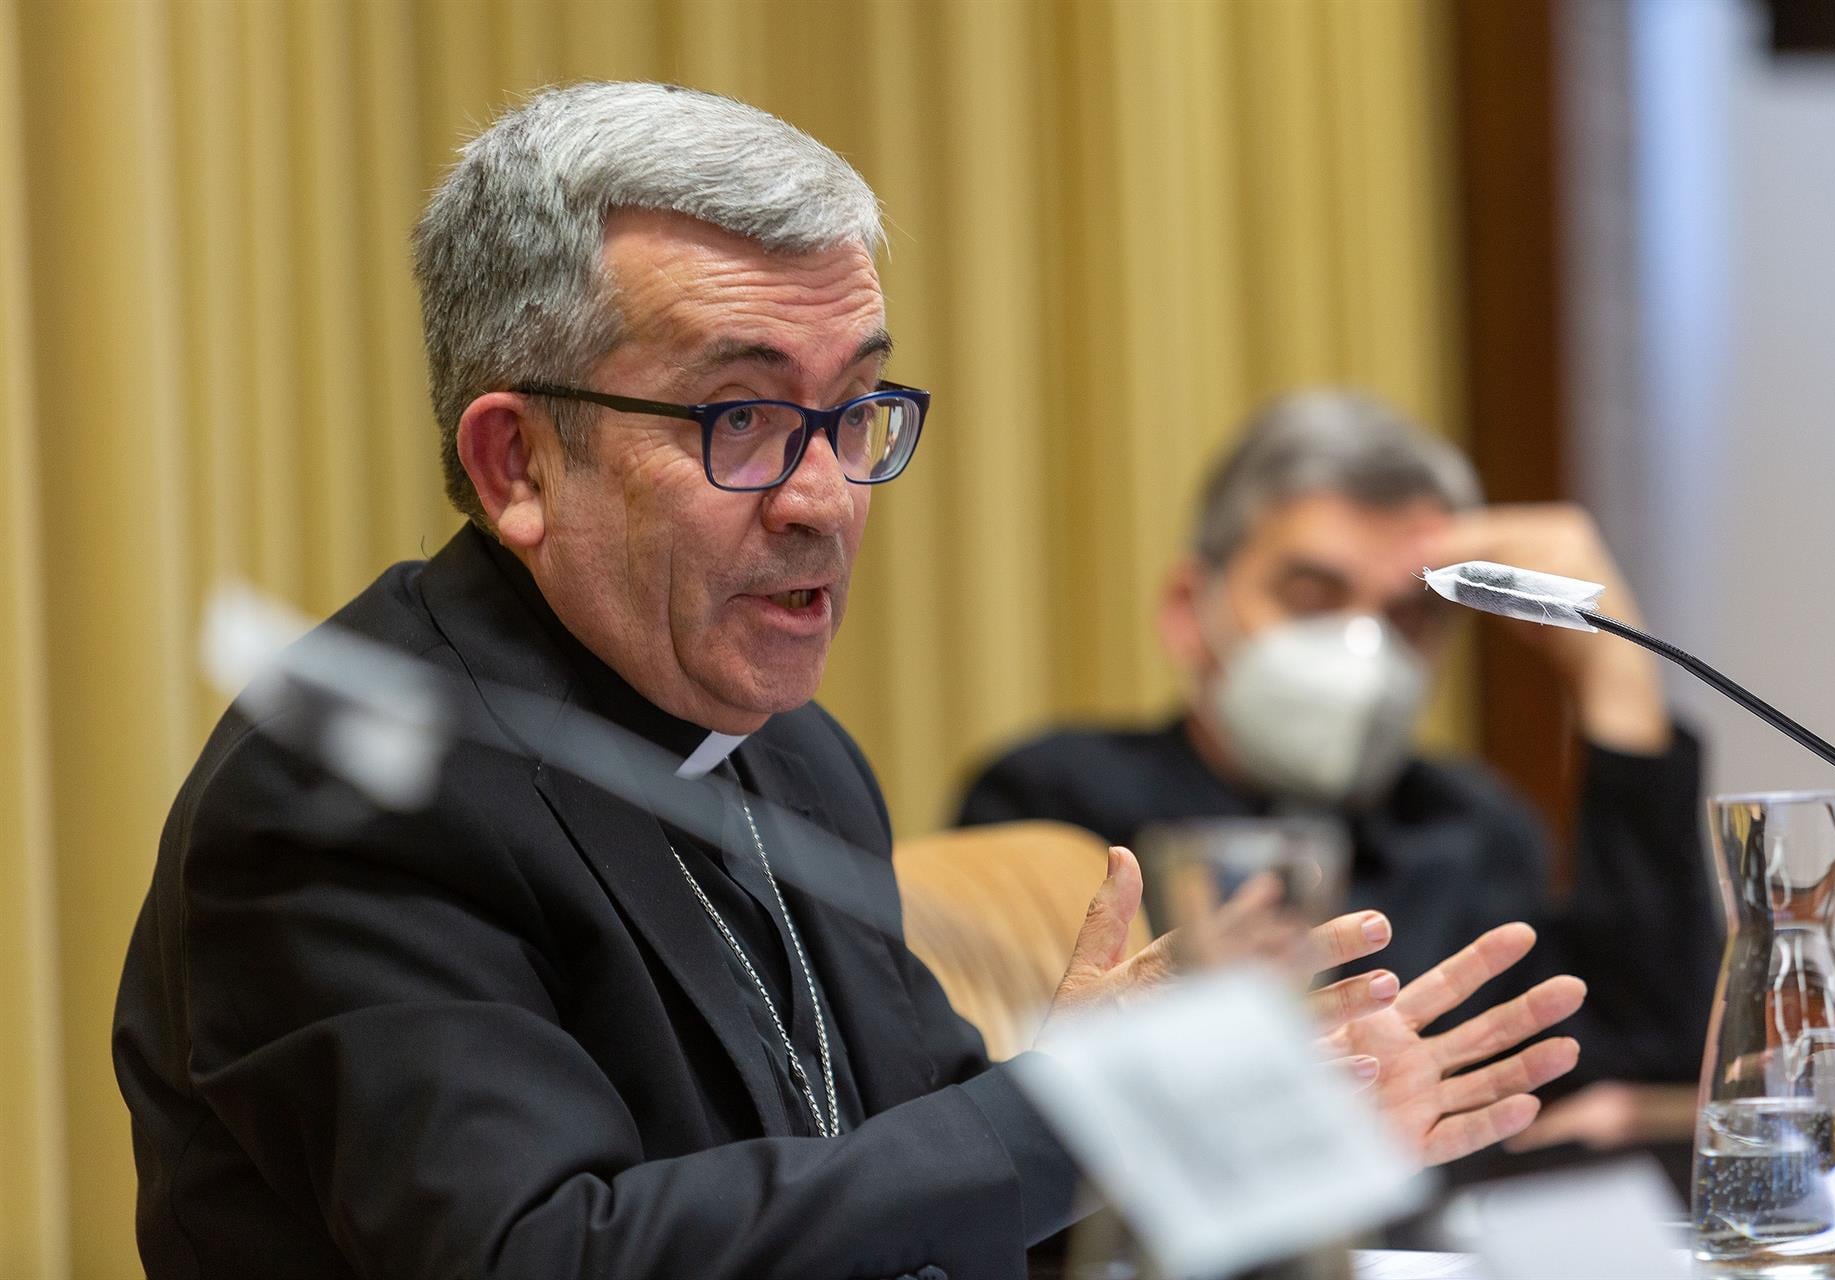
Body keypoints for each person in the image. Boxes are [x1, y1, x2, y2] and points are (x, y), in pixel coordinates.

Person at [114, 86, 1584, 1280]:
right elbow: (542, 1253)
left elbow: (925, 1196)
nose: (824, 497)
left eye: (855, 410)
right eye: (744, 418)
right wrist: (1075, 1114)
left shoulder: (795, 756)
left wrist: (1230, 1130)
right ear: (517, 463)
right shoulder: (348, 792)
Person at [956, 392, 1719, 1153]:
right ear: (1191, 609)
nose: (1363, 647)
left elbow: (1646, 1062)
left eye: (1408, 617)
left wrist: (1616, 677)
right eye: (1312, 598)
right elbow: (1006, 1137)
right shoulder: (1053, 803)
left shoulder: (1473, 829)